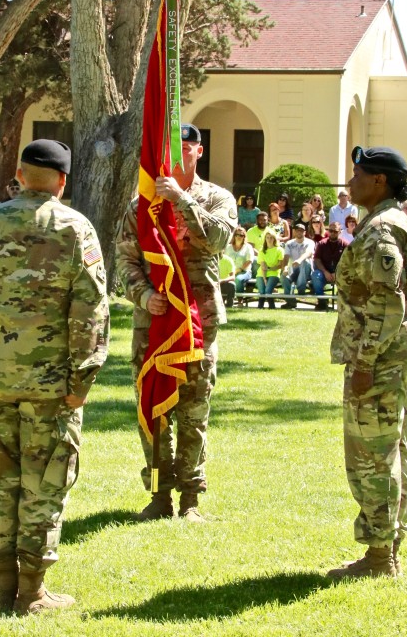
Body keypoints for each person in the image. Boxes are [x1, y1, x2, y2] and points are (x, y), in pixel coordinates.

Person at [0, 140, 109, 615]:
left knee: (0, 481)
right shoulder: (75, 228)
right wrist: (82, 380)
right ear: (62, 180)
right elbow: (90, 311)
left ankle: (4, 588)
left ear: (18, 172)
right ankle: (31, 592)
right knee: (44, 482)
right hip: (52, 386)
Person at [116, 123, 236, 524]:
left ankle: (190, 498)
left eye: (186, 147)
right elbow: (126, 260)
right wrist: (142, 294)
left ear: (199, 152)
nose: (178, 153)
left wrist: (182, 199)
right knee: (152, 409)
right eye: (172, 146)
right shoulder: (143, 205)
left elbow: (217, 239)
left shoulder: (218, 198)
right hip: (154, 319)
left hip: (199, 320)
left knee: (194, 412)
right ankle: (157, 493)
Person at [328, 146, 407, 579]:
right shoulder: (387, 222)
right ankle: (388, 548)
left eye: (357, 175)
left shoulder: (381, 231)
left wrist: (366, 362)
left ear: (379, 182)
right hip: (402, 349)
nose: (349, 183)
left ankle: (378, 558)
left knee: (372, 453)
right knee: (394, 449)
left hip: (384, 355)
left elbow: (387, 302)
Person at [311, 222, 347, 310]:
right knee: (316, 275)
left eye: (335, 231)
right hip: (324, 271)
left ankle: (342, 301)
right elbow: (317, 259)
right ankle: (322, 301)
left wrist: (337, 272)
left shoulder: (345, 245)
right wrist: (325, 272)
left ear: (340, 232)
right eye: (331, 231)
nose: (333, 233)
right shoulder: (322, 244)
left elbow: (348, 261)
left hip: (340, 272)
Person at [280, 223, 315, 308]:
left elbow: (308, 253)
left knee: (304, 261)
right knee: (283, 276)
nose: (299, 232)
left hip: (306, 270)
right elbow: (286, 257)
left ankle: (301, 289)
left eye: (301, 230)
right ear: (294, 232)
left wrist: (299, 260)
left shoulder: (310, 242)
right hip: (293, 269)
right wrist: (284, 268)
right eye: (297, 230)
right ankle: (289, 300)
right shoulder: (289, 243)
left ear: (304, 232)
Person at [256, 229, 285, 309]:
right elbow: (263, 265)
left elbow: (280, 265)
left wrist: (271, 268)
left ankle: (271, 307)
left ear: (274, 239)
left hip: (274, 273)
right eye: (267, 237)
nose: (269, 239)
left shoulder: (279, 250)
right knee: (262, 291)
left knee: (268, 290)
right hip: (261, 273)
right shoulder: (262, 250)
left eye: (271, 238)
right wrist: (264, 278)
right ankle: (260, 307)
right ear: (265, 239)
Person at [225, 226, 253, 295]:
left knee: (238, 279)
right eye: (237, 235)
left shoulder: (248, 247)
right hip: (229, 271)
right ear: (234, 236)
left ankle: (240, 299)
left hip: (244, 271)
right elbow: (224, 259)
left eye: (241, 235)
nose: (239, 237)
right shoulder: (228, 247)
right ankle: (226, 298)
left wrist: (239, 270)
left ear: (244, 237)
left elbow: (249, 260)